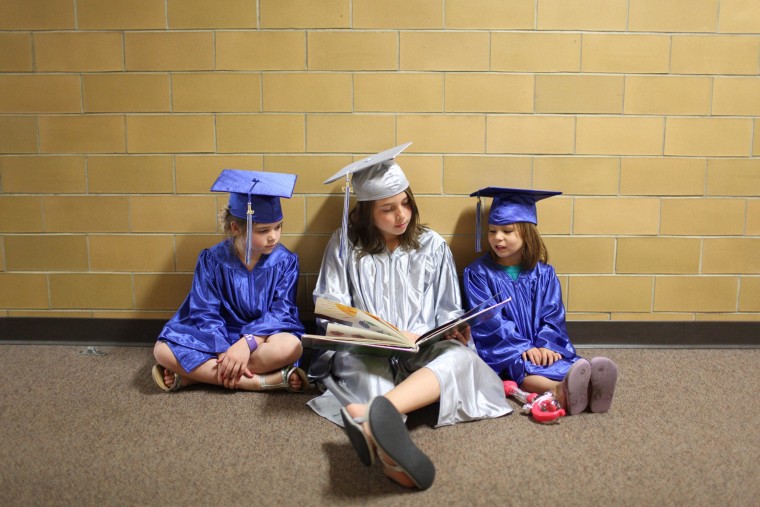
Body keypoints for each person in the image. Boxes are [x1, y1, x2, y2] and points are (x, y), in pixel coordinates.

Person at [308, 144, 511, 490]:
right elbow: (330, 310)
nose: (401, 215)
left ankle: (374, 416)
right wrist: (379, 331)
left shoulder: (432, 246)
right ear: (367, 212)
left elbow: (448, 309)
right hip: (368, 350)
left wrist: (455, 329)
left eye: (405, 203)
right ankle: (385, 438)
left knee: (459, 358)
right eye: (387, 209)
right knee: (371, 380)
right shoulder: (345, 245)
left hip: (422, 347)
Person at [462, 187, 618, 416]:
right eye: (492, 231)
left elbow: (552, 314)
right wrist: (524, 347)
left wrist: (546, 344)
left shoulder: (544, 273)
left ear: (527, 234)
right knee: (523, 366)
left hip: (540, 344)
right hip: (506, 348)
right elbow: (488, 319)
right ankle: (560, 389)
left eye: (507, 230)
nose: (497, 238)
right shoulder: (479, 273)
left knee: (558, 361)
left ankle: (592, 388)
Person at [152, 169, 308, 393]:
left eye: (278, 226)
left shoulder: (286, 262)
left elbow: (281, 313)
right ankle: (258, 382)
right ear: (236, 228)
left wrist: (247, 343)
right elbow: (204, 311)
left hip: (262, 337)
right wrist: (224, 350)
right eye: (264, 230)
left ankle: (196, 377)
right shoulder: (212, 260)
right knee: (162, 350)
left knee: (291, 347)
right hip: (218, 334)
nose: (273, 236)